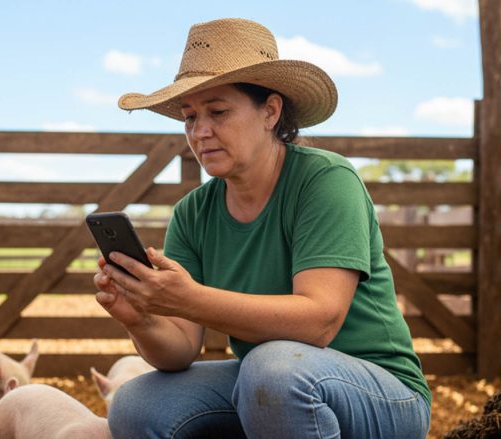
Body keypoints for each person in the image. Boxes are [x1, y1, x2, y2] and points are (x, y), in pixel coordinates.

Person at [93, 17, 431, 439]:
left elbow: (319, 321)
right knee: (135, 404)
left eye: (218, 112)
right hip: (272, 383)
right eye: (190, 116)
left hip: (382, 395)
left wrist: (190, 298)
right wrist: (140, 318)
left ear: (270, 111)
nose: (200, 132)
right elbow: (180, 350)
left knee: (271, 370)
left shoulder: (325, 180)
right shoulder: (193, 214)